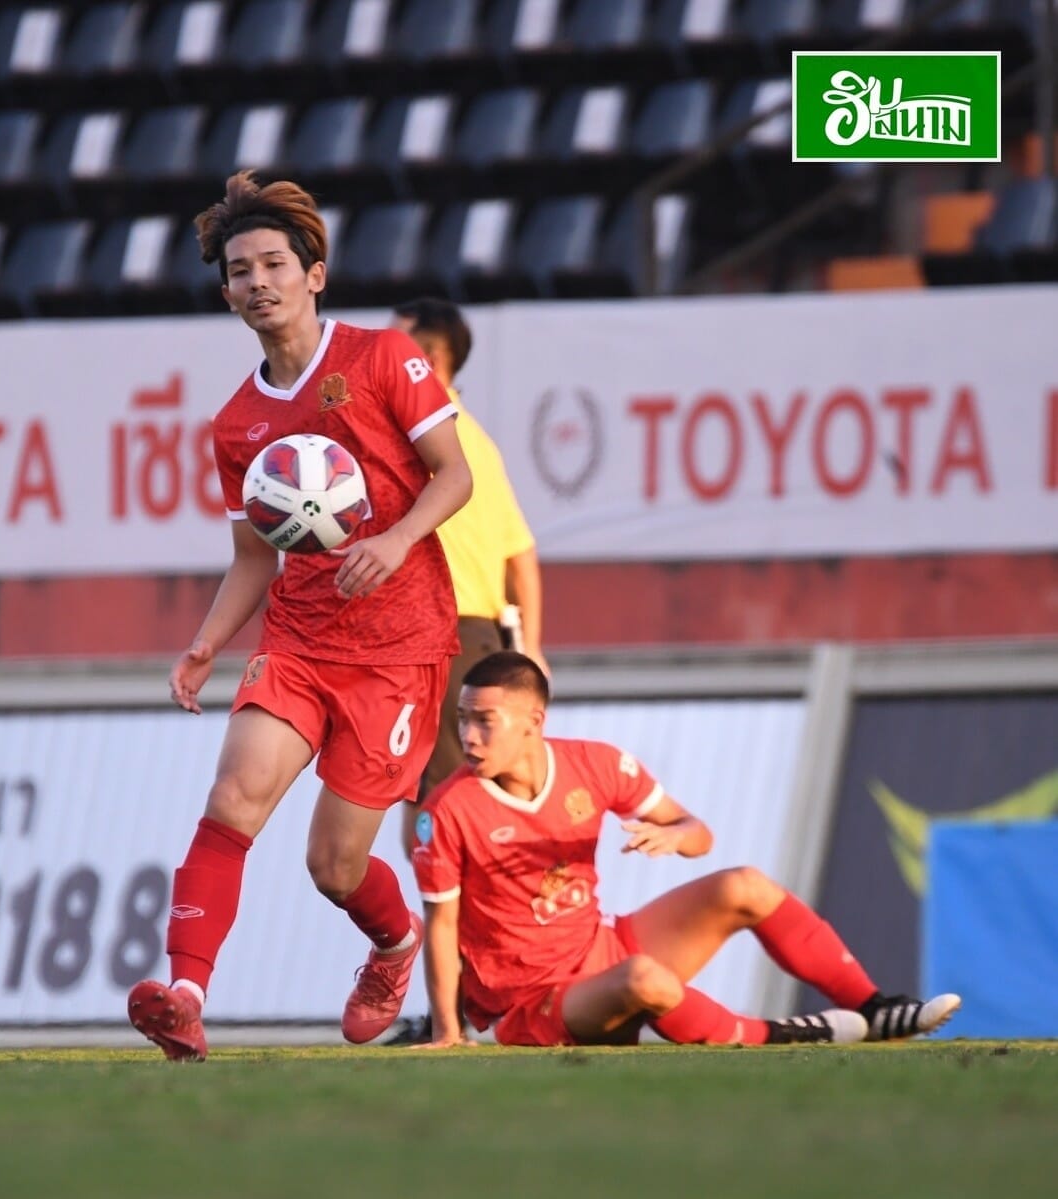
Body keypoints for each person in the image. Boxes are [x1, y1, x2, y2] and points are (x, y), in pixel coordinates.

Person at [126, 170, 472, 1061]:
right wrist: (205, 644)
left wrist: (395, 540)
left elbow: (455, 474)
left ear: (314, 275)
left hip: (398, 649)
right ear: (226, 292)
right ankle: (184, 995)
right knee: (232, 798)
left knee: (334, 865)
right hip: (300, 640)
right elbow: (254, 557)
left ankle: (392, 945)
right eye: (239, 270)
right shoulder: (236, 423)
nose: (258, 282)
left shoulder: (383, 358)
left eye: (274, 264)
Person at [412, 651, 962, 1048]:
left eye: (484, 721)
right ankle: (783, 1035)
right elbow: (441, 926)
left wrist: (676, 835)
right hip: (534, 1001)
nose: (469, 736)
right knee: (644, 979)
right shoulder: (447, 810)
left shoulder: (595, 764)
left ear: (534, 722)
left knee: (745, 885)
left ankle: (875, 1009)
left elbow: (699, 834)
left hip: (603, 946)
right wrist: (447, 1032)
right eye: (462, 719)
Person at [382, 298, 545, 1046]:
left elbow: (517, 554)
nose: (380, 355)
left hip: (448, 636)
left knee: (444, 824)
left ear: (431, 359)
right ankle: (467, 1000)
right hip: (458, 638)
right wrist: (531, 648)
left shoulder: (426, 430)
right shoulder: (470, 436)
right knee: (433, 820)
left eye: (396, 345)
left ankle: (469, 1006)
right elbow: (521, 553)